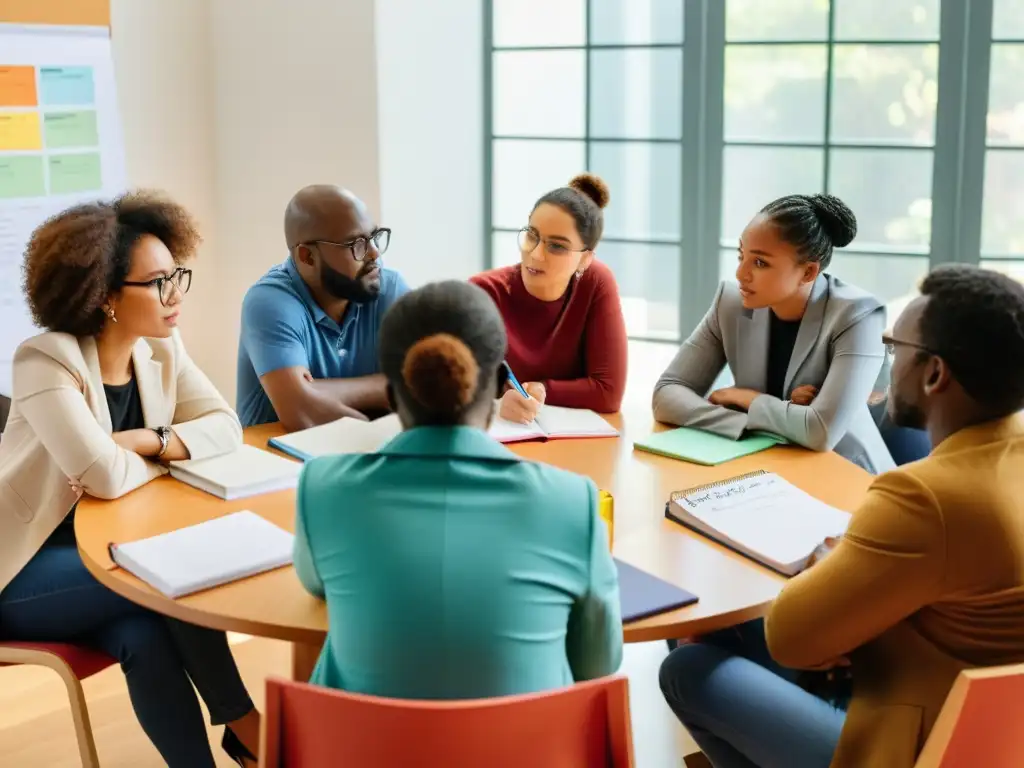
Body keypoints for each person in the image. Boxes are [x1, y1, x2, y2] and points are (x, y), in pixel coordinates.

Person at [659, 264, 1024, 768]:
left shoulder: (925, 494)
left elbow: (789, 638)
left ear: (935, 373)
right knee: (726, 632)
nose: (887, 365)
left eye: (896, 349)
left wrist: (831, 563)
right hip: (994, 734)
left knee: (689, 668)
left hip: (917, 744)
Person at [0, 194, 261, 767]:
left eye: (178, 275)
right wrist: (151, 455)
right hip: (19, 569)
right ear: (104, 296)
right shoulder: (45, 361)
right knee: (167, 576)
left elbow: (227, 428)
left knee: (143, 632)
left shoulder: (162, 349)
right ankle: (247, 726)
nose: (177, 295)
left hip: (104, 560)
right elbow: (103, 475)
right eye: (159, 282)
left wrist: (147, 440)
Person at [293, 280, 623, 698]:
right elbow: (598, 663)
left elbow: (317, 585)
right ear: (500, 386)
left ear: (392, 395)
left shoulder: (322, 490)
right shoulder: (574, 504)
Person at [653, 194, 894, 474]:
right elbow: (666, 395)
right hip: (761, 466)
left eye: (760, 263)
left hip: (845, 474)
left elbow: (820, 432)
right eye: (741, 256)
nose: (741, 273)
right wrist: (744, 420)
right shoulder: (730, 303)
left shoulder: (858, 315)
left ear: (808, 272)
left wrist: (746, 399)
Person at [236, 184, 410, 430]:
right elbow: (303, 413)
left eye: (374, 237)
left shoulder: (388, 287)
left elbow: (427, 385)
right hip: (276, 460)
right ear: (307, 256)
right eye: (356, 244)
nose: (374, 254)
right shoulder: (269, 302)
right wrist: (389, 386)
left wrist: (314, 390)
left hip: (362, 455)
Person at [471, 173, 627, 424]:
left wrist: (542, 390)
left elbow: (608, 393)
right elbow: (454, 391)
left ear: (585, 259)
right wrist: (498, 402)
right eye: (532, 235)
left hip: (576, 448)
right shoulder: (482, 293)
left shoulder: (596, 281)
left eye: (557, 246)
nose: (536, 254)